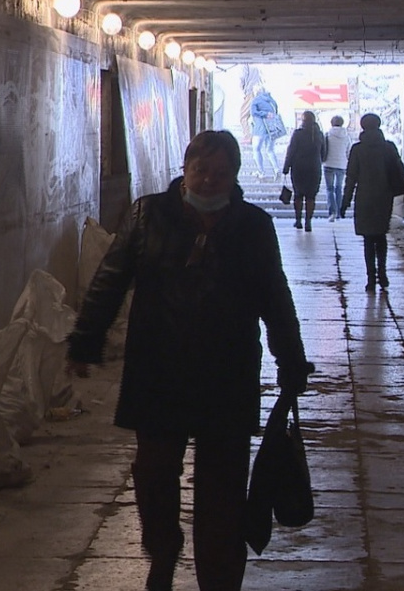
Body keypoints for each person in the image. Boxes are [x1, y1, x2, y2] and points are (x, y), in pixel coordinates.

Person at [65, 130, 314, 591]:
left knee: (222, 492)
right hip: (159, 370)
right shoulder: (148, 215)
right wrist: (85, 340)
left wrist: (291, 359)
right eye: (200, 171)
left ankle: (219, 578)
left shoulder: (253, 226)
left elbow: (274, 296)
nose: (208, 182)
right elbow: (110, 280)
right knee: (155, 474)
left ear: (233, 177)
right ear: (185, 169)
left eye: (220, 174)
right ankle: (163, 551)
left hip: (227, 374)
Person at [340, 113, 404, 292]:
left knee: (368, 239)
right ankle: (382, 273)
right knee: (381, 236)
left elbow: (351, 178)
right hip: (383, 196)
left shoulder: (357, 149)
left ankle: (370, 278)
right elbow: (400, 170)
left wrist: (345, 202)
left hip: (364, 197)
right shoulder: (388, 147)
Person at [282, 110, 324, 232]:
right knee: (311, 196)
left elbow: (291, 151)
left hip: (298, 168)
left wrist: (286, 167)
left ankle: (298, 220)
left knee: (298, 195)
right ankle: (308, 222)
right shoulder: (319, 134)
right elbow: (324, 153)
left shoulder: (297, 134)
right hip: (314, 168)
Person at [322, 115, 352, 222]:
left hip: (328, 164)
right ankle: (339, 212)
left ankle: (332, 212)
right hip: (341, 165)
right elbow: (349, 152)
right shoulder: (346, 137)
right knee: (338, 188)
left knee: (330, 189)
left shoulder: (327, 135)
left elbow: (323, 149)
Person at [249, 87, 283, 177]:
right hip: (271, 129)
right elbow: (276, 111)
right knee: (270, 150)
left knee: (256, 149)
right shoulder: (271, 100)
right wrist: (269, 114)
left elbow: (253, 112)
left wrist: (264, 114)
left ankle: (261, 172)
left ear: (256, 91)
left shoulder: (255, 100)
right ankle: (276, 169)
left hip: (259, 129)